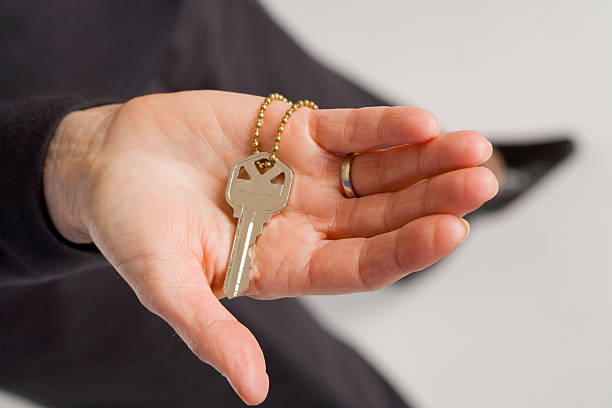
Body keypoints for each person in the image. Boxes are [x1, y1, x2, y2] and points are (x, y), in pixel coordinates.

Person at [0, 1, 569, 407]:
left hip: (130, 14)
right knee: (292, 386)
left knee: (328, 132)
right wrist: (56, 168)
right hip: (33, 223)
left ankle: (450, 202)